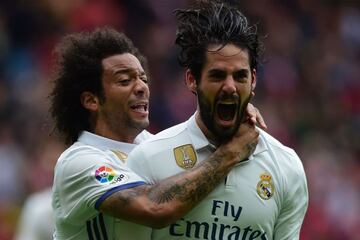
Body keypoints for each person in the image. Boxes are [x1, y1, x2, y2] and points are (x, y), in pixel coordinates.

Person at [50, 27, 266, 239]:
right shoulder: (80, 162)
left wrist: (234, 107)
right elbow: (154, 208)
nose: (142, 87)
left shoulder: (151, 146)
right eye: (125, 81)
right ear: (91, 100)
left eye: (143, 79)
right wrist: (231, 152)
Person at [126, 1, 309, 240]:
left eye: (240, 75)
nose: (230, 87)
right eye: (217, 75)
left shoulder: (286, 167)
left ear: (253, 80)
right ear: (192, 79)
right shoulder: (148, 158)